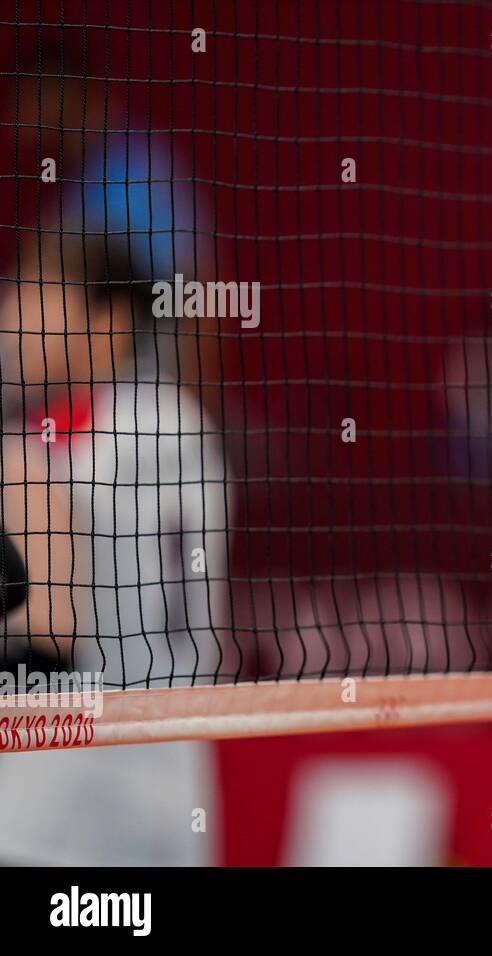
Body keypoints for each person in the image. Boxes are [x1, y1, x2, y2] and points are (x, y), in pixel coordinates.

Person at [0, 110, 232, 864]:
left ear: (108, 324)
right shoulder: (160, 426)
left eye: (36, 296)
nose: (11, 317)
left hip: (95, 774)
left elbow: (48, 630)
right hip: (151, 770)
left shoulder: (94, 449)